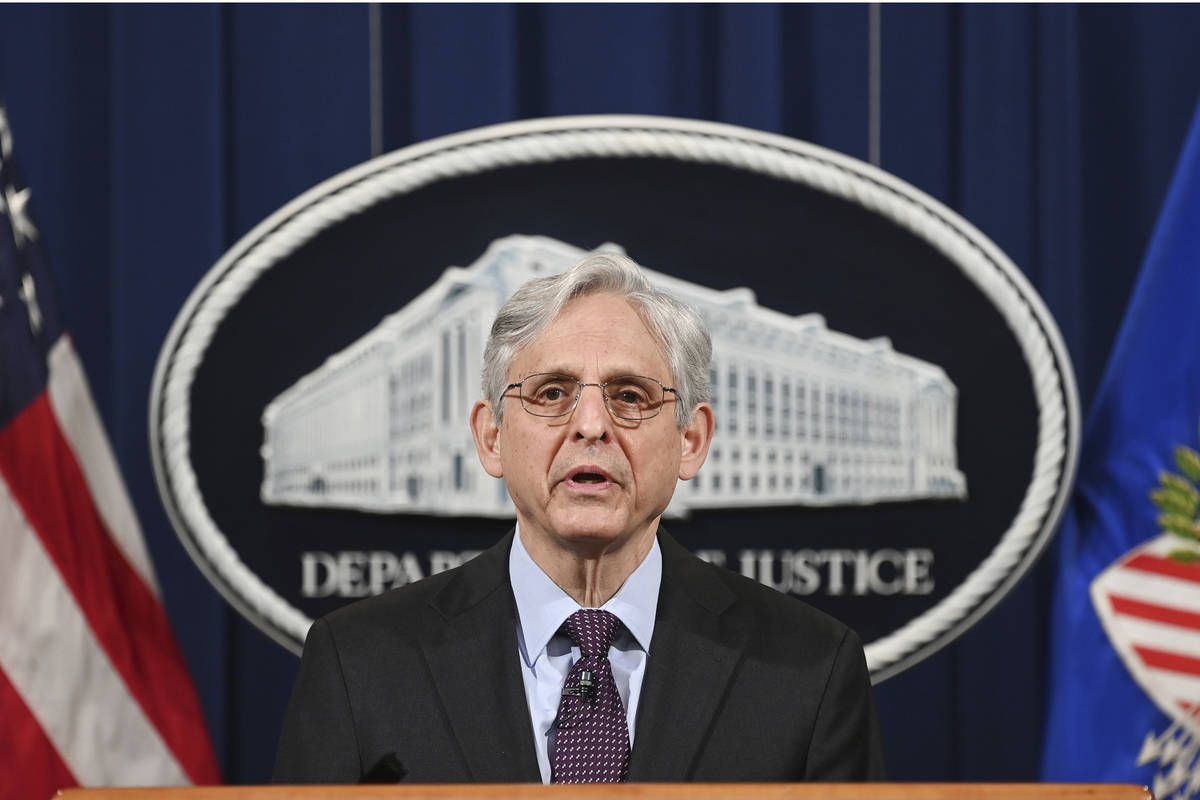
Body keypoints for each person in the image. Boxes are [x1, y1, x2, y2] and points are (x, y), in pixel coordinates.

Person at [273, 252, 885, 783]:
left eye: (629, 396)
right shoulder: (359, 664)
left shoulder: (811, 668)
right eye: (551, 393)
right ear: (491, 437)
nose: (591, 426)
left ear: (691, 441)